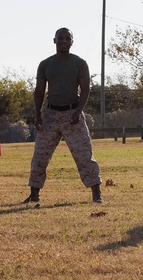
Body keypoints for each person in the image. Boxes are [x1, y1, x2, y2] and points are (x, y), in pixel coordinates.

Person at [24, 28, 103, 204]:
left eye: (68, 38)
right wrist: (38, 115)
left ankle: (96, 194)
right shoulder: (45, 64)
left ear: (72, 42)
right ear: (55, 40)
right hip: (50, 115)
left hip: (72, 114)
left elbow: (85, 89)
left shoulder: (79, 63)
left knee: (84, 155)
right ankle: (34, 195)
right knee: (40, 156)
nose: (64, 41)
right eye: (61, 38)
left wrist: (78, 111)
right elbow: (39, 91)